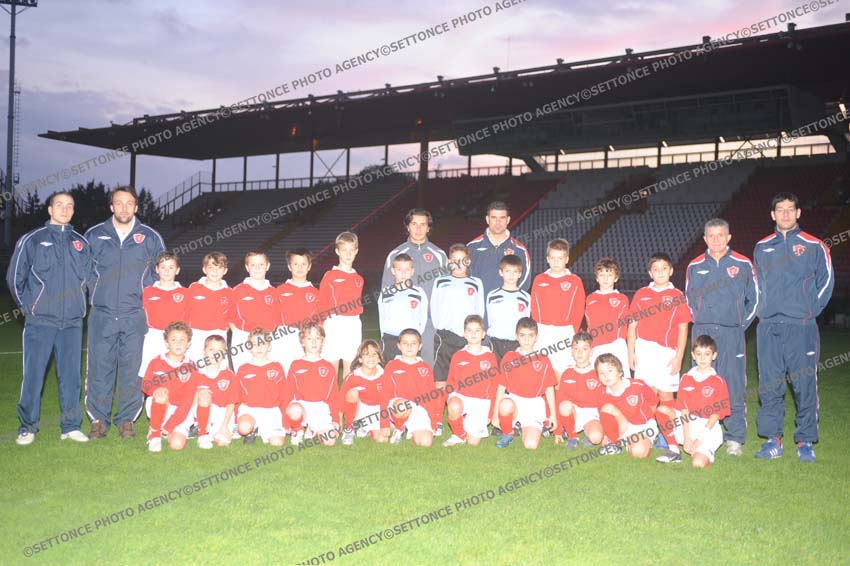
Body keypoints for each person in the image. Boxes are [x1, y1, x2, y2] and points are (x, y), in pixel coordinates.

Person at [753, 192, 833, 462]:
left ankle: (805, 441)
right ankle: (772, 440)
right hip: (768, 327)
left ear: (798, 213)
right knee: (769, 384)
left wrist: (808, 312)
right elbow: (757, 285)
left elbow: (826, 282)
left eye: (790, 209)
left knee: (804, 383)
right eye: (780, 209)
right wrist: (762, 313)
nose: (785, 214)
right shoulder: (762, 247)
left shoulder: (814, 245)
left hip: (801, 327)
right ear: (772, 214)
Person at [6, 191, 91, 445]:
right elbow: (14, 278)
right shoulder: (32, 239)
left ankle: (70, 426)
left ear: (73, 210)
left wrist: (80, 306)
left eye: (69, 206)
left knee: (71, 377)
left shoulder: (81, 243)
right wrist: (29, 307)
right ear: (50, 209)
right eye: (59, 205)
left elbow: (89, 279)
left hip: (72, 323)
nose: (65, 209)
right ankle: (27, 427)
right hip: (40, 321)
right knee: (33, 376)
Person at [85, 186, 166, 439]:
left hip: (135, 315)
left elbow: (161, 272)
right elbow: (84, 272)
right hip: (102, 314)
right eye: (119, 203)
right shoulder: (94, 235)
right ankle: (98, 419)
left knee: (132, 368)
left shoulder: (150, 237)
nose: (124, 208)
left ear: (136, 207)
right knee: (100, 368)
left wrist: (145, 299)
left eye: (129, 203)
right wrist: (97, 294)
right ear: (111, 206)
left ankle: (126, 419)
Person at [685, 218, 758, 456]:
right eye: (711, 236)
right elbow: (688, 299)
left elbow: (755, 298)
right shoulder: (695, 265)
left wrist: (739, 325)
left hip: (731, 333)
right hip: (703, 332)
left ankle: (734, 437)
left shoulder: (742, 263)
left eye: (720, 235)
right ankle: (699, 432)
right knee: (700, 383)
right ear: (704, 239)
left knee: (733, 384)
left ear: (729, 237)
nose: (716, 240)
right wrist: (701, 320)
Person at [627, 252, 691, 450]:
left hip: (667, 353)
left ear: (671, 271)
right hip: (644, 350)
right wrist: (631, 352)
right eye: (656, 269)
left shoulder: (677, 296)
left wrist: (679, 357)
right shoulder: (641, 294)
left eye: (664, 268)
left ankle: (666, 433)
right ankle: (648, 431)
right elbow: (632, 325)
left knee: (665, 394)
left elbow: (683, 328)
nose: (660, 272)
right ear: (650, 273)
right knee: (647, 394)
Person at [382, 208, 448, 365]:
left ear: (428, 228)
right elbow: (386, 291)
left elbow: (445, 291)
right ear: (407, 226)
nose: (418, 229)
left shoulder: (439, 255)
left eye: (423, 224)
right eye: (414, 224)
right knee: (399, 369)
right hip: (402, 322)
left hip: (430, 323)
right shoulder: (395, 254)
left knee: (427, 368)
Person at [657, 335, 731, 467]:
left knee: (698, 463)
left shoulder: (718, 381)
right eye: (698, 354)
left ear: (714, 356)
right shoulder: (686, 378)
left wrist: (699, 439)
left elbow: (716, 415)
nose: (702, 358)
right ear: (693, 355)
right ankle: (674, 450)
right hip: (688, 423)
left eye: (707, 354)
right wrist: (687, 438)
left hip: (707, 427)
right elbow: (684, 410)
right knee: (662, 410)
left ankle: (703, 450)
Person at [492, 317, 558, 450]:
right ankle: (508, 432)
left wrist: (553, 415)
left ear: (536, 337)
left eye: (530, 335)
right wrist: (494, 413)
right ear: (516, 337)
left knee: (530, 445)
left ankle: (521, 427)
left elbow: (549, 388)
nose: (527, 340)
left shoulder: (543, 359)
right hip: (515, 402)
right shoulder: (509, 357)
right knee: (505, 404)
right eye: (522, 335)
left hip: (534, 405)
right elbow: (501, 387)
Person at [430, 244, 485, 389]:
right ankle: (440, 403)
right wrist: (440, 327)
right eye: (455, 260)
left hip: (466, 337)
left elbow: (479, 311)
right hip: (445, 337)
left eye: (463, 260)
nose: (459, 264)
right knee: (441, 378)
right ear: (449, 262)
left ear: (468, 261)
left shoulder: (476, 283)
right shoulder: (440, 281)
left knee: (465, 377)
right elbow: (434, 307)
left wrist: (472, 332)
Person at [140, 322, 199, 453]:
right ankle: (155, 434)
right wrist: (154, 390)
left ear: (188, 344)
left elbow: (187, 402)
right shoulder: (156, 362)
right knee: (162, 393)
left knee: (177, 444)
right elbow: (145, 385)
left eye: (182, 340)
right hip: (159, 404)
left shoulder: (191, 367)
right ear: (166, 343)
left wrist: (169, 426)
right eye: (173, 340)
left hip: (180, 412)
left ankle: (163, 430)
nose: (178, 343)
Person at [442, 315, 499, 447]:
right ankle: (459, 434)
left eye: (477, 330)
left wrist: (491, 412)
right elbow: (450, 381)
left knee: (473, 443)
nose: (473, 334)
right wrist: (450, 400)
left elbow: (494, 386)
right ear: (464, 334)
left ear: (483, 334)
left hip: (481, 402)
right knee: (454, 405)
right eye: (469, 330)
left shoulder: (490, 357)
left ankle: (467, 421)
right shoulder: (458, 356)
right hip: (462, 398)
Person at [530, 239, 585, 373]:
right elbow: (534, 306)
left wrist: (573, 330)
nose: (556, 262)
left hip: (565, 331)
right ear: (547, 259)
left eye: (560, 258)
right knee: (542, 370)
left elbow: (579, 308)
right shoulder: (539, 279)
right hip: (543, 330)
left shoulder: (575, 281)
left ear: (566, 259)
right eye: (553, 258)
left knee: (563, 370)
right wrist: (537, 329)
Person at [284, 323, 342, 447]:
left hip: (320, 408)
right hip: (301, 406)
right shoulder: (296, 364)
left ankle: (312, 429)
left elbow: (333, 396)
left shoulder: (328, 367)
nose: (314, 342)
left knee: (330, 440)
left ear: (323, 341)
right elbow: (287, 393)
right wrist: (285, 420)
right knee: (294, 409)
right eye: (309, 338)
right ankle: (297, 429)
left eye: (317, 338)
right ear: (302, 342)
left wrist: (336, 420)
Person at [382, 329, 440, 447]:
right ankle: (398, 428)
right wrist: (383, 424)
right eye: (405, 343)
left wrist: (433, 422)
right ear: (399, 346)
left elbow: (431, 397)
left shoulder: (425, 368)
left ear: (420, 346)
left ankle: (410, 429)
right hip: (398, 407)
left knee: (425, 442)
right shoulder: (392, 366)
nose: (409, 346)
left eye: (413, 343)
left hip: (418, 409)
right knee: (404, 406)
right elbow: (385, 394)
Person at [319, 232, 365, 378]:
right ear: (337, 251)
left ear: (356, 251)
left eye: (351, 250)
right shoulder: (329, 275)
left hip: (353, 323)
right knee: (331, 368)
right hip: (334, 323)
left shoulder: (359, 278)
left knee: (350, 368)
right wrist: (320, 327)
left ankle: (347, 394)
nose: (348, 254)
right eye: (344, 250)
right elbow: (322, 303)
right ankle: (331, 394)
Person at [596, 354, 658, 458]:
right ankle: (614, 443)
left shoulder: (637, 385)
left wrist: (649, 418)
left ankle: (640, 441)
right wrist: (606, 434)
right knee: (607, 408)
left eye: (610, 371)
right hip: (623, 427)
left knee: (638, 452)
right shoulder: (601, 393)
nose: (606, 376)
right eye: (601, 373)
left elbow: (653, 401)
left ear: (620, 372)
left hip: (642, 427)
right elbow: (605, 418)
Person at [140, 252, 188, 385]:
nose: (167, 271)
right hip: (154, 336)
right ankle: (149, 397)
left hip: (176, 338)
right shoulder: (147, 292)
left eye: (171, 267)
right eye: (163, 267)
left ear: (177, 270)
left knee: (175, 373)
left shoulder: (185, 292)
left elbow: (188, 317)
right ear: (157, 269)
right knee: (150, 373)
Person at [467, 201, 532, 296]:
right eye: (494, 218)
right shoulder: (472, 247)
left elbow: (525, 281)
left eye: (502, 218)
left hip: (508, 304)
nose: (498, 222)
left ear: (508, 220)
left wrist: (510, 298)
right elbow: (465, 277)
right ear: (487, 219)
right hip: (479, 305)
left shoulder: (520, 250)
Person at [235, 328, 287, 446]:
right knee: (243, 428)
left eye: (262, 343)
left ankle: (261, 429)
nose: (259, 347)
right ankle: (251, 430)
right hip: (249, 410)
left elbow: (284, 394)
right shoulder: (243, 369)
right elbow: (237, 395)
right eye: (255, 344)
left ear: (269, 346)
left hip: (271, 411)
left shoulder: (276, 367)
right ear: (249, 347)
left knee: (277, 443)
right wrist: (234, 418)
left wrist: (285, 419)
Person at [231, 252, 281, 371]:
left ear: (267, 266)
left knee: (267, 375)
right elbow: (229, 317)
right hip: (243, 337)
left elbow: (278, 318)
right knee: (243, 374)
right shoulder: (237, 290)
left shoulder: (274, 292)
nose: (257, 268)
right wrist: (239, 334)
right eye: (253, 265)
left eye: (261, 264)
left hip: (267, 339)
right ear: (247, 267)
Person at [554, 331, 603, 450]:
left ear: (591, 352)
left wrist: (605, 427)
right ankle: (572, 436)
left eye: (584, 349)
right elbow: (559, 399)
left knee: (596, 437)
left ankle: (589, 432)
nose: (580, 353)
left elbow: (604, 401)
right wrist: (557, 430)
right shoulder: (567, 373)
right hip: (574, 412)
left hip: (592, 414)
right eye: (576, 349)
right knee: (564, 405)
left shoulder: (598, 373)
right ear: (571, 351)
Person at [276, 248, 320, 374]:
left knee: (304, 373)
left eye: (303, 264)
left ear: (309, 266)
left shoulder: (316, 293)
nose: (300, 267)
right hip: (284, 336)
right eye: (295, 264)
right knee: (284, 373)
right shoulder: (280, 290)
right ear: (289, 267)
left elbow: (319, 319)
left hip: (306, 336)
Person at [585, 257, 630, 378]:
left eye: (609, 275)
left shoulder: (622, 299)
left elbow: (624, 326)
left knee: (620, 380)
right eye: (602, 275)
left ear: (616, 278)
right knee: (597, 380)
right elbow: (589, 325)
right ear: (596, 278)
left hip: (616, 346)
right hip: (596, 346)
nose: (605, 279)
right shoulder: (590, 298)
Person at [378, 253, 428, 361]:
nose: (403, 273)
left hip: (411, 340)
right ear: (393, 271)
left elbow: (423, 316)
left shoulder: (419, 292)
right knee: (389, 369)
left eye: (407, 270)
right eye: (399, 269)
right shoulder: (386, 292)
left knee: (411, 369)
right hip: (390, 339)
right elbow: (382, 316)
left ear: (412, 271)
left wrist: (416, 335)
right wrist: (384, 336)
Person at [186, 252, 233, 367]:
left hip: (218, 335)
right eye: (211, 267)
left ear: (225, 271)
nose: (215, 271)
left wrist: (223, 328)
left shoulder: (229, 292)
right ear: (204, 269)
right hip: (195, 334)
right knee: (193, 368)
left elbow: (231, 316)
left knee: (218, 368)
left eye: (219, 268)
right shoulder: (194, 287)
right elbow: (185, 311)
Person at [193, 334, 240, 448]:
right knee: (203, 394)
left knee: (222, 442)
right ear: (204, 351)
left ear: (224, 353)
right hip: (202, 411)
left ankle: (222, 429)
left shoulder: (228, 374)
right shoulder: (197, 373)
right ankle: (202, 431)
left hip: (222, 414)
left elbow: (231, 403)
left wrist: (224, 425)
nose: (215, 353)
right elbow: (191, 402)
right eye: (211, 349)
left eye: (219, 350)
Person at [340, 340, 389, 445]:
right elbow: (341, 400)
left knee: (382, 440)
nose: (371, 357)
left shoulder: (385, 376)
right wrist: (339, 422)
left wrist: (385, 424)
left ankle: (363, 428)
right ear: (360, 359)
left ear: (379, 358)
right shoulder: (353, 377)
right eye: (366, 354)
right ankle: (349, 428)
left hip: (378, 410)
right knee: (353, 393)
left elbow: (385, 401)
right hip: (359, 410)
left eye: (374, 354)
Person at [484, 255, 530, 361]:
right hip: (495, 342)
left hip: (516, 343)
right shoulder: (492, 295)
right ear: (501, 272)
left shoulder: (526, 297)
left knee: (515, 372)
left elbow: (525, 322)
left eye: (515, 271)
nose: (511, 275)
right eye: (508, 271)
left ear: (520, 274)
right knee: (494, 371)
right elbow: (489, 319)